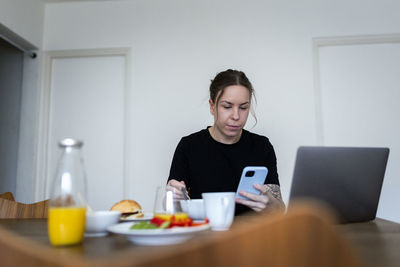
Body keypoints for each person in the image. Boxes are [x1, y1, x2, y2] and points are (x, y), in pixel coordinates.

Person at [167, 69, 285, 215]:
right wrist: (174, 199)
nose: (236, 116)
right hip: (205, 235)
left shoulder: (262, 146)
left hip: (252, 235)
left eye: (243, 107)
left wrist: (270, 203)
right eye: (227, 106)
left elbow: (279, 210)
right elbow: (173, 209)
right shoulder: (189, 146)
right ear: (212, 106)